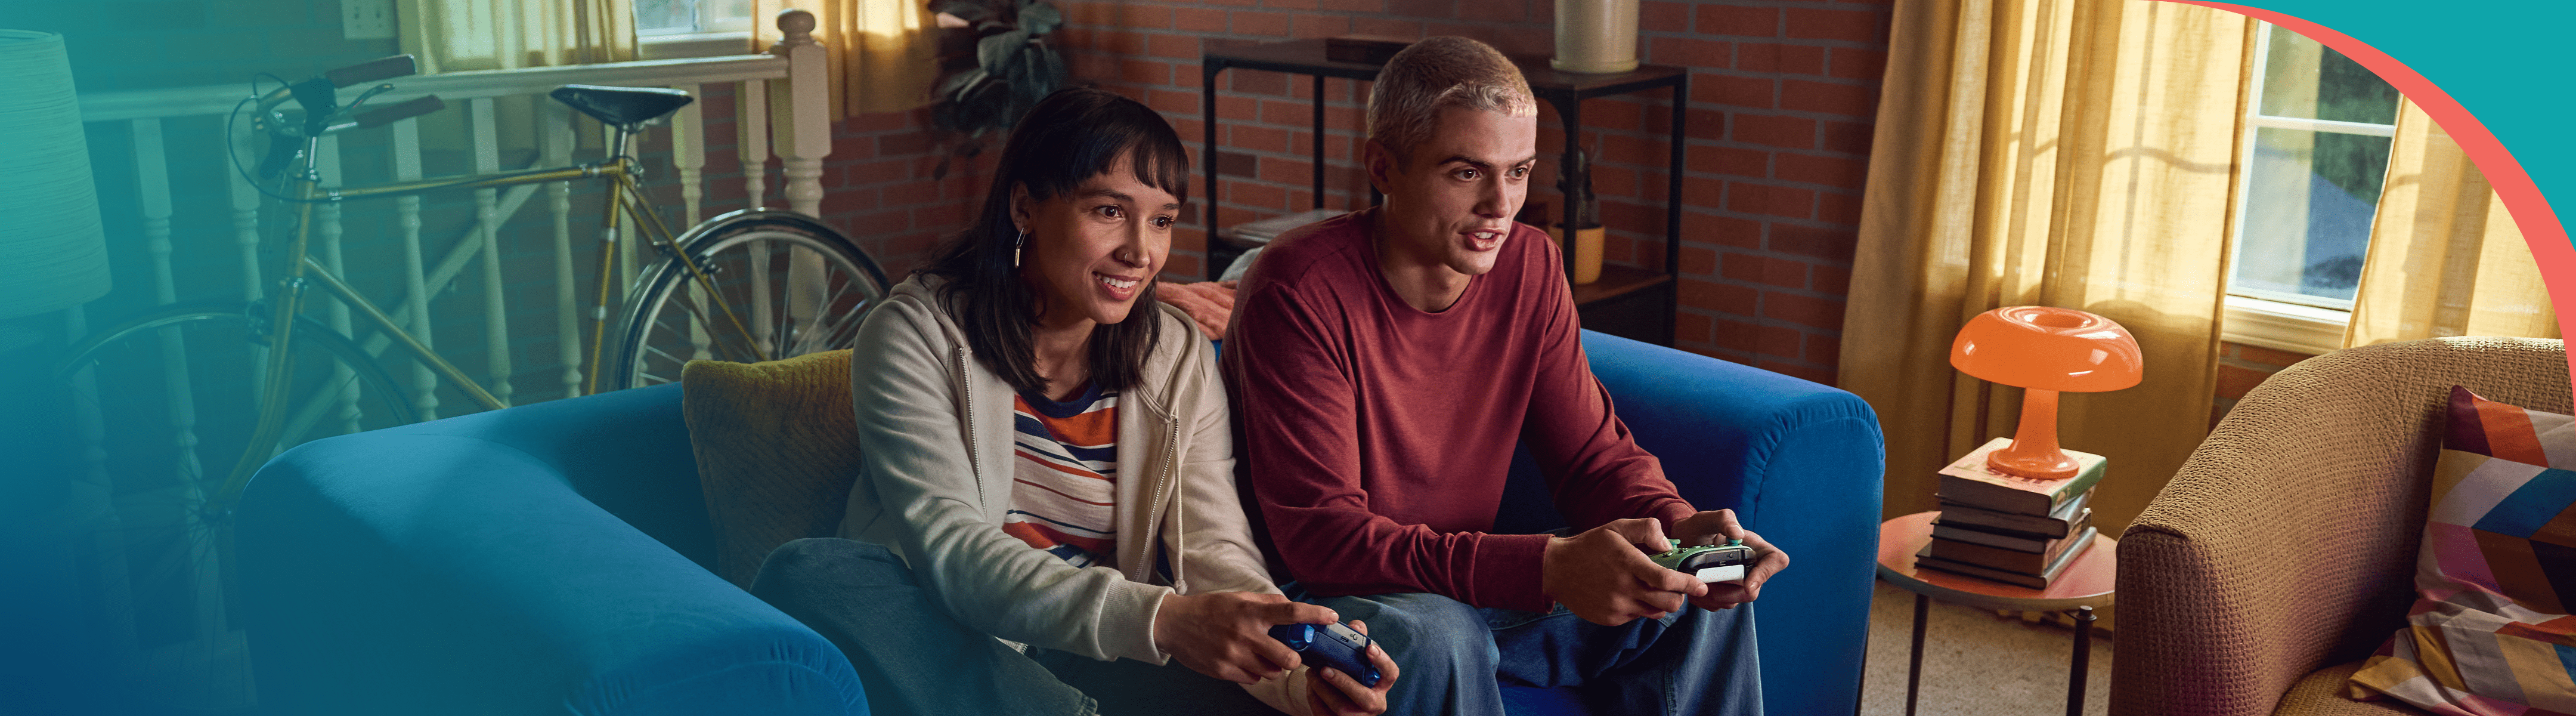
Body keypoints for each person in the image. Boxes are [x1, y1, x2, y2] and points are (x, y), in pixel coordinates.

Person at [750, 87, 1397, 716]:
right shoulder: (917, 333)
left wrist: (1293, 674)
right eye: (1109, 212)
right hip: (967, 647)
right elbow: (952, 550)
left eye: (1162, 221)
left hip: (1111, 655)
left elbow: (1213, 550)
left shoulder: (1177, 354)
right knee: (807, 572)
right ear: (1025, 207)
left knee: (1365, 666)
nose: (1141, 252)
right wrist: (1162, 619)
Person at [1221, 37, 1789, 715]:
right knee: (1439, 636)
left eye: (1518, 172)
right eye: (1466, 173)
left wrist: (1677, 530)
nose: (1501, 205)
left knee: (1695, 597)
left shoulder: (1532, 265)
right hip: (1335, 602)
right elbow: (1323, 538)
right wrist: (1545, 565)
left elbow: (1590, 457)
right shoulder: (1299, 287)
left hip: (1473, 587)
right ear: (1383, 166)